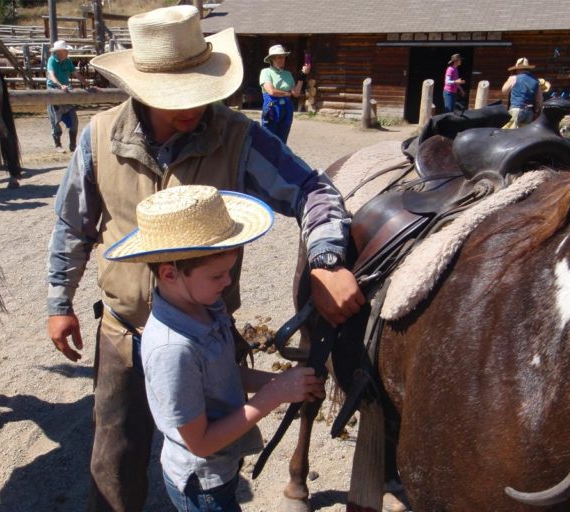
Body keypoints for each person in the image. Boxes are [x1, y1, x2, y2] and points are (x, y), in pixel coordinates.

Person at [46, 5, 363, 511]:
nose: (191, 108)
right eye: (175, 97)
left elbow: (312, 189)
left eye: (198, 90)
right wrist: (59, 300)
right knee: (114, 460)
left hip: (207, 332)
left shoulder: (237, 136)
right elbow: (73, 225)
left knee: (213, 459)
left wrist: (325, 259)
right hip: (123, 330)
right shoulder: (99, 137)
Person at [105, 185, 326, 511]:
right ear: (170, 274)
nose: (227, 282)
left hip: (221, 466)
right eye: (217, 275)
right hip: (202, 484)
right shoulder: (172, 351)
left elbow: (221, 374)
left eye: (230, 272)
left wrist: (278, 381)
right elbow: (201, 442)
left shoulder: (205, 306)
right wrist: (275, 394)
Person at [259, 44, 310, 144]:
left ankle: (279, 159)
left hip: (287, 109)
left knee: (282, 140)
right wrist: (286, 94)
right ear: (272, 59)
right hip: (272, 108)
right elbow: (271, 91)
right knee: (268, 138)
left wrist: (303, 75)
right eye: (279, 57)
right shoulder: (266, 72)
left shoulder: (288, 74)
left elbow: (296, 93)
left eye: (283, 57)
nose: (282, 59)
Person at [46, 40, 87, 153]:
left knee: (74, 121)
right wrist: (60, 85)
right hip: (54, 91)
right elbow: (52, 75)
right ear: (60, 51)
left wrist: (86, 84)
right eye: (66, 50)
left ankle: (73, 145)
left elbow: (76, 74)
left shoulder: (68, 62)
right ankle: (57, 144)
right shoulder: (51, 60)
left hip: (66, 91)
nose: (67, 52)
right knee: (55, 120)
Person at [501, 57, 543, 129]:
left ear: (518, 69)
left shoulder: (514, 78)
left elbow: (504, 91)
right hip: (529, 111)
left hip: (516, 109)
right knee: (524, 135)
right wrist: (536, 111)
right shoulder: (536, 80)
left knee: (510, 132)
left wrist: (509, 80)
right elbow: (539, 99)